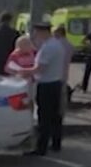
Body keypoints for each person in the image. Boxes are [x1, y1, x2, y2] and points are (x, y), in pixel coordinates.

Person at [25, 21, 65, 156]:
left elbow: (40, 68)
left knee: (44, 117)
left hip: (46, 84)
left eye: (36, 32)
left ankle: (41, 147)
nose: (35, 35)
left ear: (43, 32)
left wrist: (24, 72)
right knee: (55, 116)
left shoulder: (48, 47)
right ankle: (56, 143)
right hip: (55, 83)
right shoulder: (56, 44)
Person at [54, 26, 74, 117]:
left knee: (55, 93)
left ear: (59, 33)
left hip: (55, 71)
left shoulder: (56, 44)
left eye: (55, 32)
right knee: (63, 92)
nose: (53, 34)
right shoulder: (69, 44)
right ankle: (62, 110)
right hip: (65, 71)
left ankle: (57, 110)